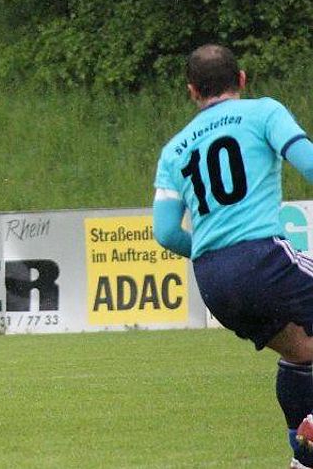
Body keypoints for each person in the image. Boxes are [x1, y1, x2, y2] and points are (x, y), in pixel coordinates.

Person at [153, 44, 313, 468]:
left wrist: (215, 251)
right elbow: (310, 165)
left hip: (213, 280)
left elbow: (165, 232)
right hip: (263, 258)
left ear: (192, 91)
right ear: (241, 78)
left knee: (300, 352)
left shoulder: (173, 150)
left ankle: (303, 458)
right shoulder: (263, 112)